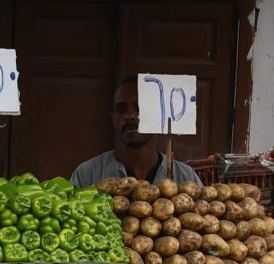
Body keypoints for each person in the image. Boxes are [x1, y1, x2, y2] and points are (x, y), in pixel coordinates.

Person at [70, 76, 202, 188]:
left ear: (158, 114)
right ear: (112, 117)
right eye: (121, 110)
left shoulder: (186, 177)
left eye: (140, 108)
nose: (130, 115)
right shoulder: (87, 175)